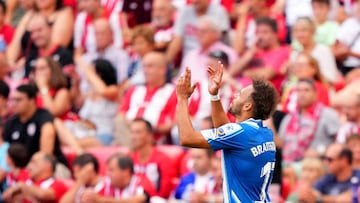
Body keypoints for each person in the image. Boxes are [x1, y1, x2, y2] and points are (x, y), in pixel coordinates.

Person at [175, 64, 278, 202]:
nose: (235, 95)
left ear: (248, 106)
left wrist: (182, 99)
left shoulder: (240, 133)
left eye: (240, 94)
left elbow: (187, 138)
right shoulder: (265, 133)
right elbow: (225, 132)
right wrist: (214, 96)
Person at [2, 84, 69, 178]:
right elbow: (5, 152)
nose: (14, 103)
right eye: (12, 100)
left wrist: (27, 173)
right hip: (20, 169)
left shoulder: (44, 117)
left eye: (19, 100)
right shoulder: (11, 122)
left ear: (32, 100)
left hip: (50, 167)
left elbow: (45, 154)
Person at [279, 79, 341, 163]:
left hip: (318, 163)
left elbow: (340, 142)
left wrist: (321, 151)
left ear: (315, 94)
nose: (302, 94)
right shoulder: (288, 119)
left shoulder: (327, 114)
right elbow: (281, 143)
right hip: (289, 163)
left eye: (306, 90)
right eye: (298, 90)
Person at [79, 153, 155, 203]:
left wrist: (101, 200)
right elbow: (92, 196)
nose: (107, 173)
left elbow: (137, 200)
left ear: (126, 172)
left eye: (111, 170)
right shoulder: (106, 182)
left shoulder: (140, 180)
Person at [130, 118, 175, 198]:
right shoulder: (129, 158)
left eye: (138, 132)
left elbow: (164, 194)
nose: (133, 137)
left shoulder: (163, 160)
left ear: (149, 135)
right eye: (132, 132)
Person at [2, 152, 68, 203]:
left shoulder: (57, 184)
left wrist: (22, 186)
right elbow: (5, 196)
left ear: (47, 165)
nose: (28, 166)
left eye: (33, 162)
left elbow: (43, 195)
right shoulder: (27, 180)